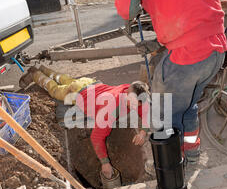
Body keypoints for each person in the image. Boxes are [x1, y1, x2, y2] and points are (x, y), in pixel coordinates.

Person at [115, 0, 227, 162]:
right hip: (215, 50)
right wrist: (161, 41)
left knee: (164, 113)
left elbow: (126, 7)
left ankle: (172, 171)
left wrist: (129, 15)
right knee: (187, 105)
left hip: (189, 54)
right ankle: (192, 152)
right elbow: (190, 7)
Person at [19, 65, 150, 179]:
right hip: (78, 93)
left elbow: (145, 111)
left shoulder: (133, 91)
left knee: (65, 79)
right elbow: (96, 137)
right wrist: (105, 163)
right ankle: (35, 74)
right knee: (55, 90)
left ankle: (44, 69)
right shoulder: (110, 110)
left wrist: (143, 132)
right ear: (127, 93)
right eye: (132, 103)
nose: (135, 107)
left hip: (90, 83)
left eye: (137, 104)